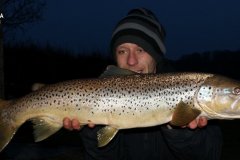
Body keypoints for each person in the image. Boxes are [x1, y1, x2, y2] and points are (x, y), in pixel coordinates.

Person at [63, 8, 222, 160]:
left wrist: (183, 133)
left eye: (140, 50)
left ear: (156, 55)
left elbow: (210, 156)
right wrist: (92, 133)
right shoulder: (97, 91)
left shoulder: (188, 89)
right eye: (122, 51)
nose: (131, 61)